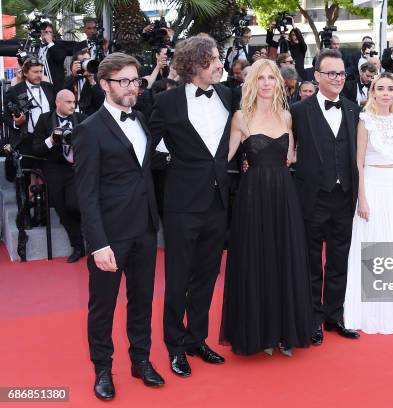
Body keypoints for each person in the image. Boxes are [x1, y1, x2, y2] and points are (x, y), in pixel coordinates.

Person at [73, 53, 164, 401]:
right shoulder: (88, 130)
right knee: (103, 307)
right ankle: (102, 370)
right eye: (123, 81)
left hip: (144, 229)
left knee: (142, 301)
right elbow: (86, 193)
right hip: (110, 236)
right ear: (104, 84)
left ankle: (140, 360)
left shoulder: (140, 119)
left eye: (135, 80)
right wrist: (97, 244)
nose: (132, 87)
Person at [149, 34, 233, 377]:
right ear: (196, 64)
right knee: (178, 278)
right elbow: (147, 146)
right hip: (182, 205)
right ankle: (174, 345)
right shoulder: (167, 103)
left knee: (207, 276)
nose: (219, 65)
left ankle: (197, 338)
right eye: (214, 59)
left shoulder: (228, 95)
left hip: (218, 202)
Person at [220, 59, 313, 356]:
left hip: (284, 196)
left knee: (284, 258)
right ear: (252, 83)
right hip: (253, 197)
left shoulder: (287, 117)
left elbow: (291, 158)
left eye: (271, 78)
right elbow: (223, 158)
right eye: (261, 78)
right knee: (256, 260)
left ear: (278, 82)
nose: (266, 83)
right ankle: (260, 334)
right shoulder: (240, 117)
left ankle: (285, 332)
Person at [344, 72, 393, 334]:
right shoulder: (365, 120)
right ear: (373, 92)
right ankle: (374, 311)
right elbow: (358, 162)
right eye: (381, 88)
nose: (386, 93)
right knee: (375, 243)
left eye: (391, 88)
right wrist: (362, 198)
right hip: (374, 187)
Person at [290, 49, 361, 344]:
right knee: (310, 262)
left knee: (338, 260)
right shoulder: (297, 111)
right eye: (330, 73)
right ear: (316, 76)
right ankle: (314, 318)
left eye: (341, 73)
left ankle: (335, 315)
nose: (337, 78)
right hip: (312, 198)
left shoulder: (354, 110)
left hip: (344, 197)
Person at [31, 90, 87, 262]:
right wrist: (51, 140)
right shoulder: (44, 119)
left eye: (74, 102)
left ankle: (88, 232)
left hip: (76, 168)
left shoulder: (82, 118)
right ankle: (78, 246)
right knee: (62, 209)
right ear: (58, 102)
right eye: (68, 102)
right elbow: (36, 148)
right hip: (54, 168)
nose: (72, 106)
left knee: (74, 205)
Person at [64, 49, 104, 115]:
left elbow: (101, 103)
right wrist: (73, 76)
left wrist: (92, 81)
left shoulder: (98, 78)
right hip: (73, 116)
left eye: (89, 60)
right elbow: (64, 96)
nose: (87, 63)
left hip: (90, 117)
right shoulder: (70, 79)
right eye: (83, 61)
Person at [38, 22, 67, 93]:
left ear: (53, 34)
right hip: (38, 84)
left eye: (49, 32)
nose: (47, 34)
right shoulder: (36, 47)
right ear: (41, 34)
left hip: (54, 85)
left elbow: (59, 58)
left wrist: (50, 43)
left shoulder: (59, 46)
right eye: (45, 32)